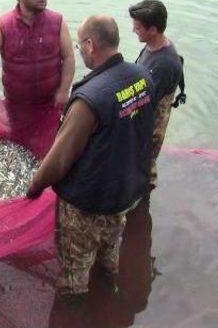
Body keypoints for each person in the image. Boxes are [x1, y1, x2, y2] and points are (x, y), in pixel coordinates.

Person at [26, 15, 155, 299]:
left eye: (79, 44)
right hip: (123, 195)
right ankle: (110, 303)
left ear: (90, 44)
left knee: (74, 279)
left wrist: (33, 186)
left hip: (87, 205)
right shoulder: (142, 77)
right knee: (109, 258)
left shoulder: (90, 98)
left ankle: (76, 314)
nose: (80, 50)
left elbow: (60, 160)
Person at [0, 0, 75, 113]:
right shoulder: (3, 26)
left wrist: (64, 91)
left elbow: (69, 57)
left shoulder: (57, 22)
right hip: (16, 106)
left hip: (52, 103)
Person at [129, 0, 184, 188]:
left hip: (150, 123)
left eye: (137, 27)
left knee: (144, 164)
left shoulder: (165, 64)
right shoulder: (152, 46)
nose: (133, 30)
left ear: (152, 30)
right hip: (143, 113)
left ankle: (144, 192)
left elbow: (147, 103)